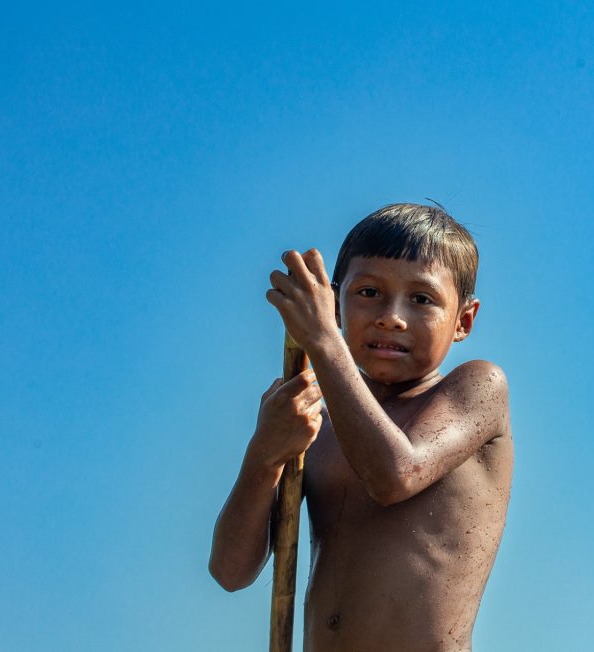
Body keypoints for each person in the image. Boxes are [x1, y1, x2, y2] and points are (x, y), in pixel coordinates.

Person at [209, 203, 513, 651]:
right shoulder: (317, 423)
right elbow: (230, 571)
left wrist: (324, 342)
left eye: (422, 299)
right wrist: (265, 453)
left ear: (463, 320)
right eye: (368, 292)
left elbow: (395, 474)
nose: (391, 315)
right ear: (335, 303)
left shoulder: (478, 388)